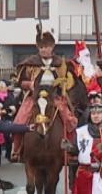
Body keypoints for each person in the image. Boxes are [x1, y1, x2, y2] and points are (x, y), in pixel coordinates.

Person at [10, 24, 79, 162]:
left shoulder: (60, 63)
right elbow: (19, 81)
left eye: (47, 47)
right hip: (34, 97)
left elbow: (70, 81)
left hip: (54, 97)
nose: (44, 50)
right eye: (41, 47)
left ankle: (69, 151)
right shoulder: (30, 63)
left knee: (69, 119)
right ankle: (16, 149)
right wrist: (28, 85)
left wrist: (63, 83)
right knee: (20, 119)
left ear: (52, 47)